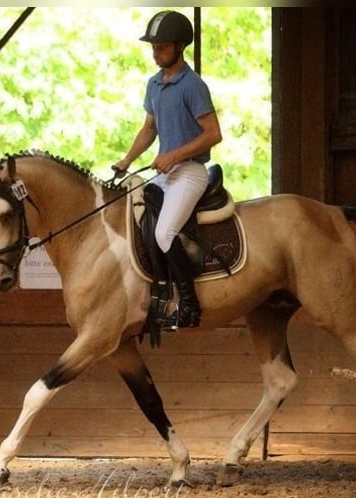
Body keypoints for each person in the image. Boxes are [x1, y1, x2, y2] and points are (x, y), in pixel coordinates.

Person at [112, 10, 222, 329]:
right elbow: (149, 129)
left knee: (163, 232)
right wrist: (127, 160)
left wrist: (174, 155)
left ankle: (189, 304)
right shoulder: (154, 84)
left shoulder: (193, 85)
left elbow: (213, 134)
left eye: (161, 47)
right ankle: (158, 294)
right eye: (153, 46)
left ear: (179, 47)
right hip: (165, 173)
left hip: (189, 172)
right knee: (135, 217)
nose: (155, 52)